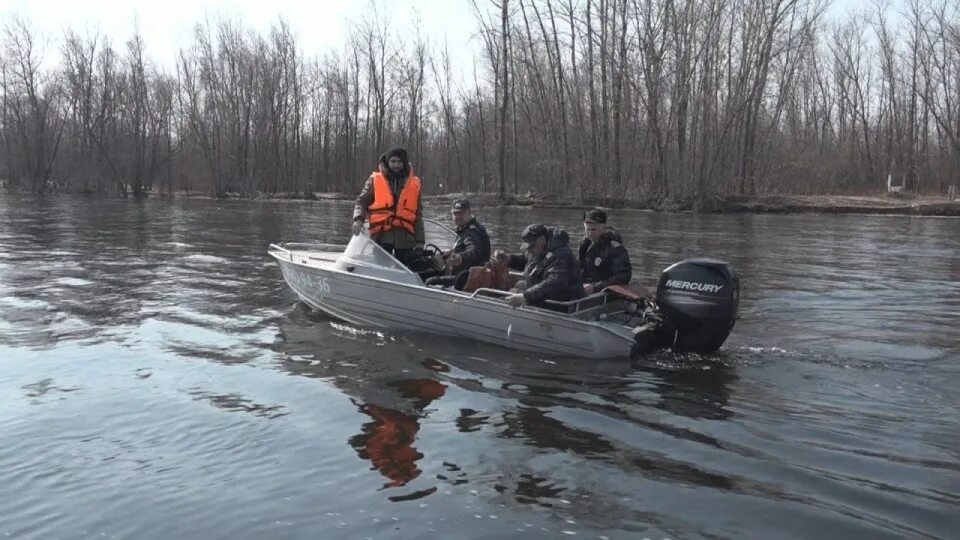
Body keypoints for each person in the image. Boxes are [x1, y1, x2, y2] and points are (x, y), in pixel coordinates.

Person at [352, 146, 424, 263]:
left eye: (400, 162)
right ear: (388, 162)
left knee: (408, 270)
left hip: (405, 240)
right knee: (380, 269)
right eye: (393, 161)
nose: (396, 165)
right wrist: (358, 219)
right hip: (381, 237)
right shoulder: (374, 180)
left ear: (404, 163)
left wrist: (420, 242)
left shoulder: (415, 184)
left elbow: (418, 216)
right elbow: (361, 202)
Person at [495, 224, 584, 308]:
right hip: (542, 300)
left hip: (559, 305)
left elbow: (554, 282)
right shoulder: (539, 250)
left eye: (531, 246)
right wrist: (509, 259)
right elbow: (528, 260)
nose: (529, 250)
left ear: (542, 240)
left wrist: (525, 297)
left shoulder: (560, 255)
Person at [424, 199, 491, 289]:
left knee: (429, 281)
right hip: (468, 274)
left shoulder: (472, 231)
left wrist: (461, 257)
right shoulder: (467, 227)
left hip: (468, 278)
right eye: (455, 214)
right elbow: (468, 245)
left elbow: (474, 251)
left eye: (461, 213)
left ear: (468, 212)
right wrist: (452, 251)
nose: (458, 217)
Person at [578, 208, 632, 295]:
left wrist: (595, 287)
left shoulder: (615, 248)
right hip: (584, 287)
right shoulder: (584, 245)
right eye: (587, 230)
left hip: (604, 292)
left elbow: (623, 276)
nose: (590, 233)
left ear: (603, 229)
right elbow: (580, 269)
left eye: (593, 230)